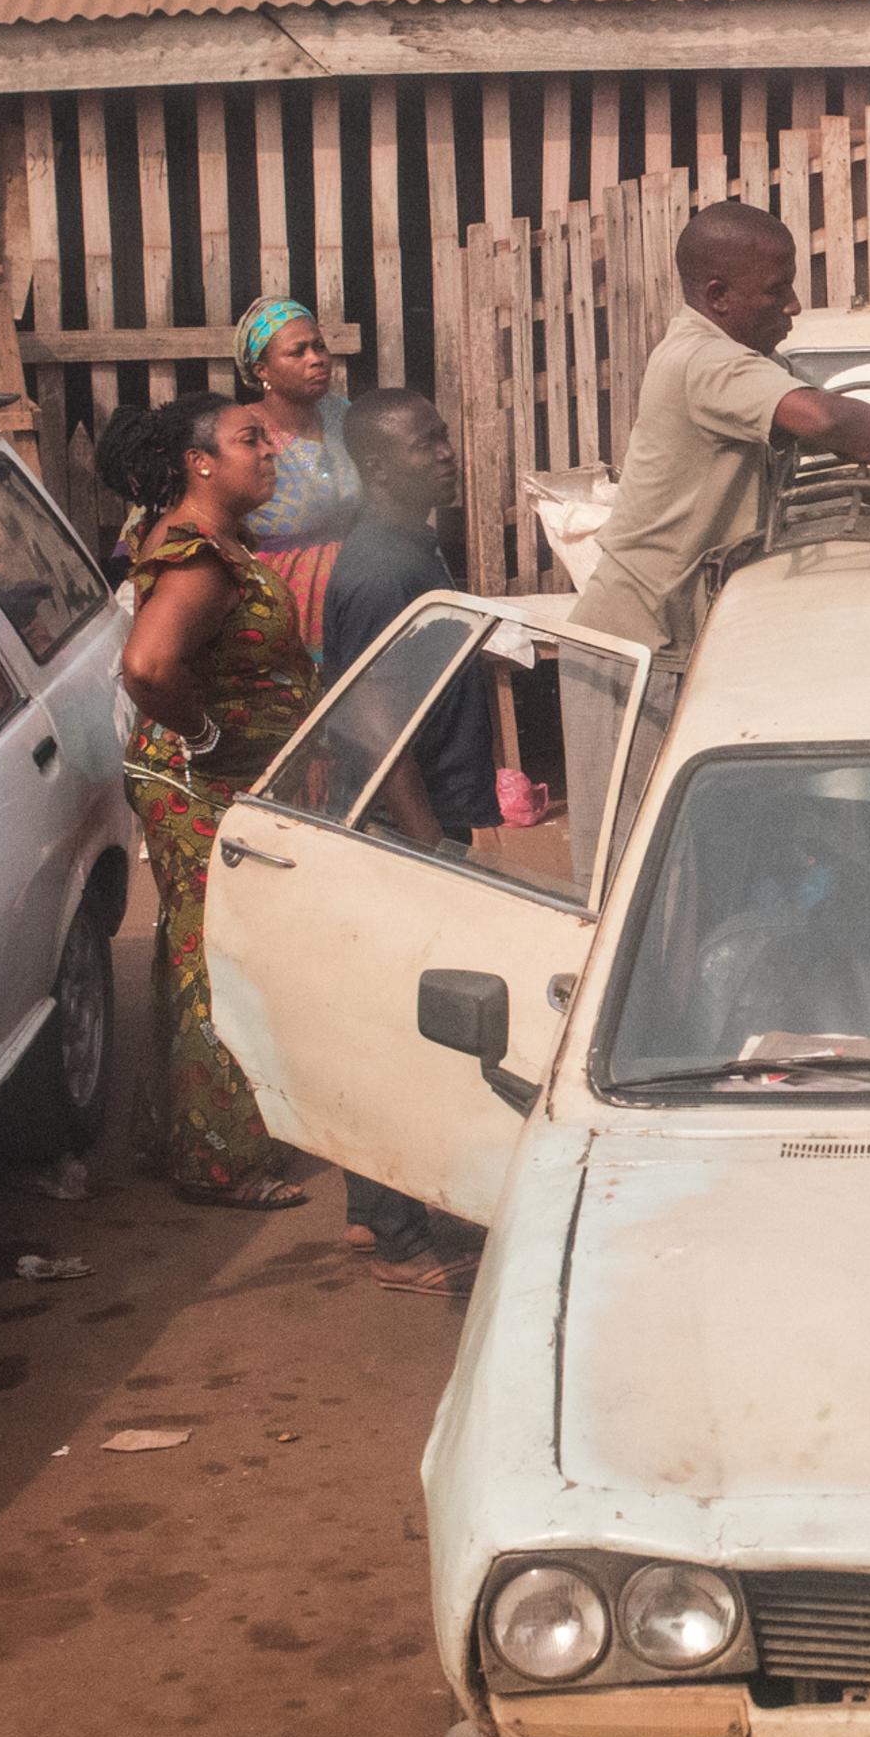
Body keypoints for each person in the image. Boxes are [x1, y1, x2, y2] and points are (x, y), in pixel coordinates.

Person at [564, 201, 870, 796]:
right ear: (718, 297)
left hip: (694, 636)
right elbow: (824, 419)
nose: (793, 305)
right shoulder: (705, 362)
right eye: (778, 290)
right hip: (639, 649)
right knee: (630, 855)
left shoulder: (756, 364)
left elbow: (856, 438)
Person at [110, 390, 321, 1213]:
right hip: (196, 782)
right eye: (248, 441)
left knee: (196, 948)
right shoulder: (197, 555)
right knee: (217, 958)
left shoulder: (220, 539)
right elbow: (149, 667)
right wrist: (203, 738)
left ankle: (181, 1134)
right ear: (201, 462)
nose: (270, 451)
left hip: (218, 780)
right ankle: (219, 1163)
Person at [316, 388, 500, 1295]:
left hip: (416, 820)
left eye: (442, 436)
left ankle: (373, 1211)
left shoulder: (412, 547)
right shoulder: (382, 569)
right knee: (405, 1033)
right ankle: (397, 1238)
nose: (446, 452)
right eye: (425, 444)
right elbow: (374, 723)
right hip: (399, 832)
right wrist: (431, 847)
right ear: (377, 465)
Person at [233, 296, 358, 653]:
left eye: (319, 346)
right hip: (279, 605)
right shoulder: (242, 431)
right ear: (262, 371)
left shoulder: (343, 416)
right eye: (297, 352)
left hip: (351, 595)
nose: (316, 359)